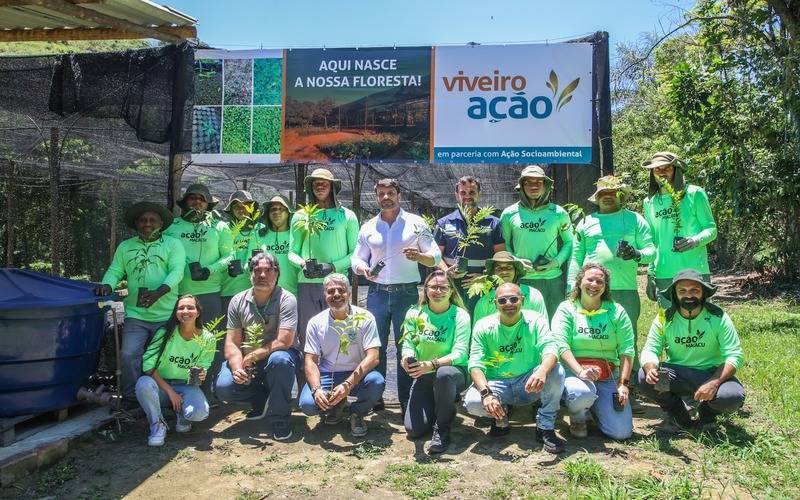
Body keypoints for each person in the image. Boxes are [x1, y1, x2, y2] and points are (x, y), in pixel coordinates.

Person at [351, 178, 442, 413]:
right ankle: (376, 398)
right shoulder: (368, 226)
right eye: (381, 193)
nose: (385, 197)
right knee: (375, 346)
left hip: (407, 294)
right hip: (377, 293)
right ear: (376, 196)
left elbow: (435, 256)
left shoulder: (416, 223)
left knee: (408, 347)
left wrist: (420, 257)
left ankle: (407, 400)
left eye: (390, 192)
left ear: (399, 194)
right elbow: (357, 258)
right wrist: (363, 269)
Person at [97, 201, 185, 405]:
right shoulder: (126, 247)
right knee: (128, 355)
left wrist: (159, 293)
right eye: (143, 220)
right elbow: (115, 270)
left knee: (163, 358)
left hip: (167, 315)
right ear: (136, 223)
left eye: (152, 220)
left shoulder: (173, 244)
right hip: (136, 315)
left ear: (161, 223)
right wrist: (107, 286)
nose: (147, 224)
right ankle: (130, 397)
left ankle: (164, 399)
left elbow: (177, 271)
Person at [463, 283, 566, 454]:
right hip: (497, 382)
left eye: (513, 299)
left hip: (528, 381)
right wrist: (487, 394)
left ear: (522, 300)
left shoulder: (535, 319)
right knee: (473, 402)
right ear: (495, 304)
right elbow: (475, 363)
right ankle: (500, 417)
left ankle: (545, 427)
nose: (508, 303)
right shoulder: (483, 325)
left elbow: (551, 349)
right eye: (502, 300)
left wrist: (541, 371)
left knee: (556, 371)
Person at [638, 269, 745, 430]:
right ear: (675, 294)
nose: (688, 295)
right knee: (643, 377)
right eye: (682, 291)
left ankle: (707, 414)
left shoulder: (718, 317)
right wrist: (651, 367)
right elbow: (650, 349)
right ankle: (677, 414)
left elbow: (734, 355)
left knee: (732, 397)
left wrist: (714, 382)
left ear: (703, 293)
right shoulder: (664, 318)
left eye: (694, 290)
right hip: (676, 374)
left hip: (710, 373)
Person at [214, 252, 301, 441]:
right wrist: (237, 367)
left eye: (268, 270)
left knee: (280, 361)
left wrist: (253, 356)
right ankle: (259, 398)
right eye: (257, 270)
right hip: (248, 359)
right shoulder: (237, 301)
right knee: (224, 387)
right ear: (250, 274)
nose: (262, 275)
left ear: (277, 274)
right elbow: (231, 342)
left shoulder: (287, 299)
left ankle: (280, 419)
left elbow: (284, 341)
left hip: (279, 355)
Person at [164, 183, 233, 396]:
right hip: (178, 294)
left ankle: (208, 388)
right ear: (184, 203)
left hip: (210, 292)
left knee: (210, 341)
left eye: (201, 199)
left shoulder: (219, 227)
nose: (197, 202)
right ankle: (176, 387)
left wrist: (210, 270)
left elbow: (230, 256)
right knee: (178, 340)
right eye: (192, 198)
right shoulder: (172, 227)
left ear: (208, 204)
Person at [552, 263, 635, 440]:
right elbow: (561, 345)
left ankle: (596, 409)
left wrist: (623, 384)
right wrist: (580, 371)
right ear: (579, 282)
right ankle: (578, 417)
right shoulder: (567, 308)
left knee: (621, 433)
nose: (594, 285)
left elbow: (627, 349)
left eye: (600, 281)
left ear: (606, 287)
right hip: (574, 373)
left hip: (607, 375)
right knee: (581, 392)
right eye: (590, 279)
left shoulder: (616, 311)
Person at [568, 175, 656, 335]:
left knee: (628, 340)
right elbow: (576, 258)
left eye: (613, 192)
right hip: (591, 289)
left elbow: (651, 252)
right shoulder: (586, 222)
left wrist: (636, 254)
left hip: (625, 290)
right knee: (593, 336)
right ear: (597, 197)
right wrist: (571, 285)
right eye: (603, 193)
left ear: (621, 195)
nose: (607, 196)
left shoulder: (635, 219)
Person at [298, 274, 384, 437]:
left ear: (349, 293)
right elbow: (310, 360)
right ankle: (335, 407)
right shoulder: (316, 322)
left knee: (376, 381)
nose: (336, 294)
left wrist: (348, 384)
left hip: (356, 375)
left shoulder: (364, 318)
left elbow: (373, 357)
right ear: (325, 295)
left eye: (341, 290)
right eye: (330, 291)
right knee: (308, 405)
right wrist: (316, 390)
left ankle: (357, 414)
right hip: (327, 374)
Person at [400, 270, 471, 454]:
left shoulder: (460, 315)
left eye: (443, 287)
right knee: (413, 430)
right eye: (433, 287)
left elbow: (460, 353)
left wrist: (431, 364)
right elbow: (408, 344)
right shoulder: (415, 313)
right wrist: (406, 359)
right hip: (424, 375)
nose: (437, 291)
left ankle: (443, 429)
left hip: (454, 373)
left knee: (444, 374)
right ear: (425, 290)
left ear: (451, 291)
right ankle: (443, 405)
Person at [289, 168, 359, 344]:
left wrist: (333, 267)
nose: (319, 187)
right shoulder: (301, 216)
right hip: (307, 284)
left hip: (337, 283)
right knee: (308, 332)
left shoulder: (347, 216)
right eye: (315, 184)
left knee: (339, 333)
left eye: (324, 183)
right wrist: (302, 264)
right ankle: (309, 370)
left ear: (332, 187)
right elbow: (292, 252)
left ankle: (339, 370)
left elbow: (356, 253)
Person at [135, 295, 214, 446]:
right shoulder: (164, 333)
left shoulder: (208, 338)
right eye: (180, 308)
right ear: (175, 313)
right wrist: (171, 393)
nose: (185, 311)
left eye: (190, 307)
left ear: (198, 312)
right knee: (143, 384)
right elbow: (148, 366)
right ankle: (157, 425)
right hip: (160, 385)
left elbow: (205, 363)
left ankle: (182, 413)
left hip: (186, 385)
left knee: (199, 413)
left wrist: (202, 372)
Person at [641, 152, 717, 304]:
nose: (662, 172)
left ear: (676, 170)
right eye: (657, 169)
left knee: (700, 320)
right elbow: (652, 240)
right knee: (669, 323)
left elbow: (711, 229)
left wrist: (694, 241)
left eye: (667, 168)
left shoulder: (694, 194)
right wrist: (651, 273)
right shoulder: (649, 202)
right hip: (664, 272)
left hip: (695, 271)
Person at [500, 165, 573, 319]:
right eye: (528, 182)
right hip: (522, 279)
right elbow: (504, 244)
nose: (534, 186)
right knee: (524, 324)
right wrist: (515, 260)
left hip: (552, 280)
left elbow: (569, 242)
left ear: (545, 185)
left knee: (553, 325)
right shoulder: (508, 214)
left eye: (538, 182)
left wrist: (556, 262)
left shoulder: (559, 213)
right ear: (521, 186)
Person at [435, 176, 505, 313]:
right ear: (456, 195)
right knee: (456, 323)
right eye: (463, 193)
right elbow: (436, 255)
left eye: (472, 192)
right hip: (452, 285)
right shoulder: (444, 223)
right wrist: (446, 270)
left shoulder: (493, 223)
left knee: (481, 323)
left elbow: (500, 256)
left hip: (482, 285)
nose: (467, 196)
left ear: (479, 194)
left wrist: (485, 277)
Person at [472, 251, 547, 326]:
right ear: (493, 273)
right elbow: (478, 331)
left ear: (516, 271)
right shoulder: (484, 301)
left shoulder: (533, 294)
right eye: (499, 268)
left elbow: (543, 327)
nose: (504, 271)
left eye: (509, 267)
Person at [221, 190, 265, 315]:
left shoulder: (260, 229)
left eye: (245, 206)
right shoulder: (224, 228)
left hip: (254, 290)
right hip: (228, 289)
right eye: (236, 207)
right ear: (231, 210)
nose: (241, 210)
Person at [259, 195, 298, 296]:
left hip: (293, 293)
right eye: (273, 209)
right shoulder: (260, 236)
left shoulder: (296, 235)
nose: (277, 212)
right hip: (266, 294)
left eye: (281, 209)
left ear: (289, 212)